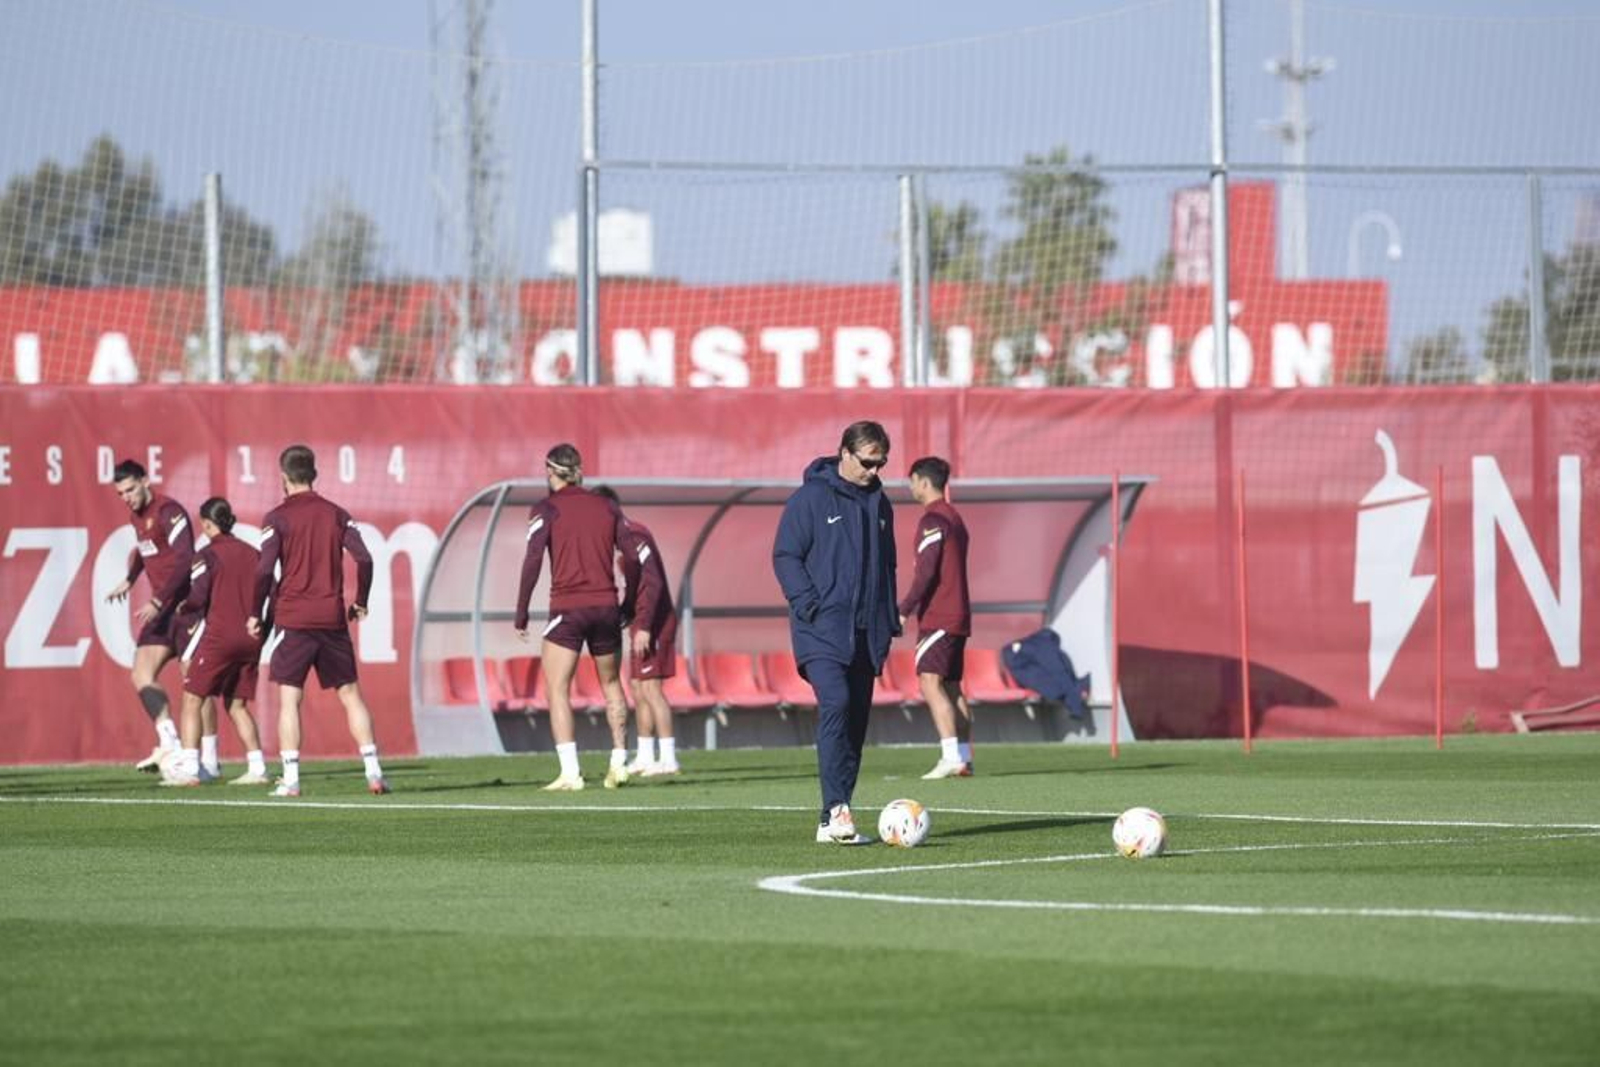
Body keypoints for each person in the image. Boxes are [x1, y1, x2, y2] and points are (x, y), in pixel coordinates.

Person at [772, 421, 899, 844]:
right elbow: (786, 555)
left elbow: (888, 566)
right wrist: (809, 604)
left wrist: (889, 616)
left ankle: (839, 812)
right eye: (867, 462)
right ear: (844, 453)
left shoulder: (881, 503)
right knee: (837, 702)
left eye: (881, 463)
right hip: (821, 629)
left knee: (857, 722)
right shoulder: (809, 498)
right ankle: (833, 811)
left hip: (867, 632)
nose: (874, 471)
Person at [246, 445, 389, 798]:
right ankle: (374, 773)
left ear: (283, 475)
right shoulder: (337, 514)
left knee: (290, 700)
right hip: (331, 619)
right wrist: (361, 602)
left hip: (293, 619)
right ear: (315, 473)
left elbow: (264, 569)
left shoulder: (277, 517)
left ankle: (291, 780)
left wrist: (254, 612)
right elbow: (365, 559)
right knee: (351, 695)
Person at [514, 445, 638, 792]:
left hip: (568, 609)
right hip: (606, 607)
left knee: (557, 689)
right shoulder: (607, 506)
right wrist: (628, 606)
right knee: (612, 685)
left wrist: (521, 611)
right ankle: (619, 761)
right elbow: (632, 557)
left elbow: (533, 559)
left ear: (549, 471)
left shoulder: (546, 508)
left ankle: (571, 772)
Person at [160, 497, 271, 787]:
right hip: (251, 639)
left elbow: (199, 595)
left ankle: (190, 767)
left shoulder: (206, 556)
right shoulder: (254, 553)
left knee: (192, 699)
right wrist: (262, 629)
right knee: (237, 706)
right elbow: (272, 592)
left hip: (221, 638)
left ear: (208, 525)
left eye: (204, 525)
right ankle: (257, 767)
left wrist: (183, 606)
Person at [103, 458, 194, 773]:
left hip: (186, 607)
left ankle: (206, 758)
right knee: (141, 673)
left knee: (196, 686)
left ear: (145, 480)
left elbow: (186, 560)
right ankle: (169, 743)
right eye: (120, 493)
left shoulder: (170, 512)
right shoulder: (136, 517)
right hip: (163, 609)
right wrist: (129, 580)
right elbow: (144, 552)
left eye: (130, 489)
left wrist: (158, 599)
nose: (126, 497)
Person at [592, 486, 681, 779]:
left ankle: (668, 758)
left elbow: (652, 583)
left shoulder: (634, 535)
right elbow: (634, 587)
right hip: (640, 623)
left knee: (652, 689)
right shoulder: (619, 542)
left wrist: (643, 625)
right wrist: (625, 613)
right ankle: (645, 756)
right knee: (639, 688)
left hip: (654, 623)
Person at [897, 456, 975, 780]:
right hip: (958, 614)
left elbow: (926, 572)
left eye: (912, 480)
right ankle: (964, 758)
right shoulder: (955, 518)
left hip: (939, 615)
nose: (911, 486)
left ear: (923, 481)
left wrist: (904, 609)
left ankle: (950, 756)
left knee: (929, 682)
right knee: (953, 686)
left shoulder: (933, 519)